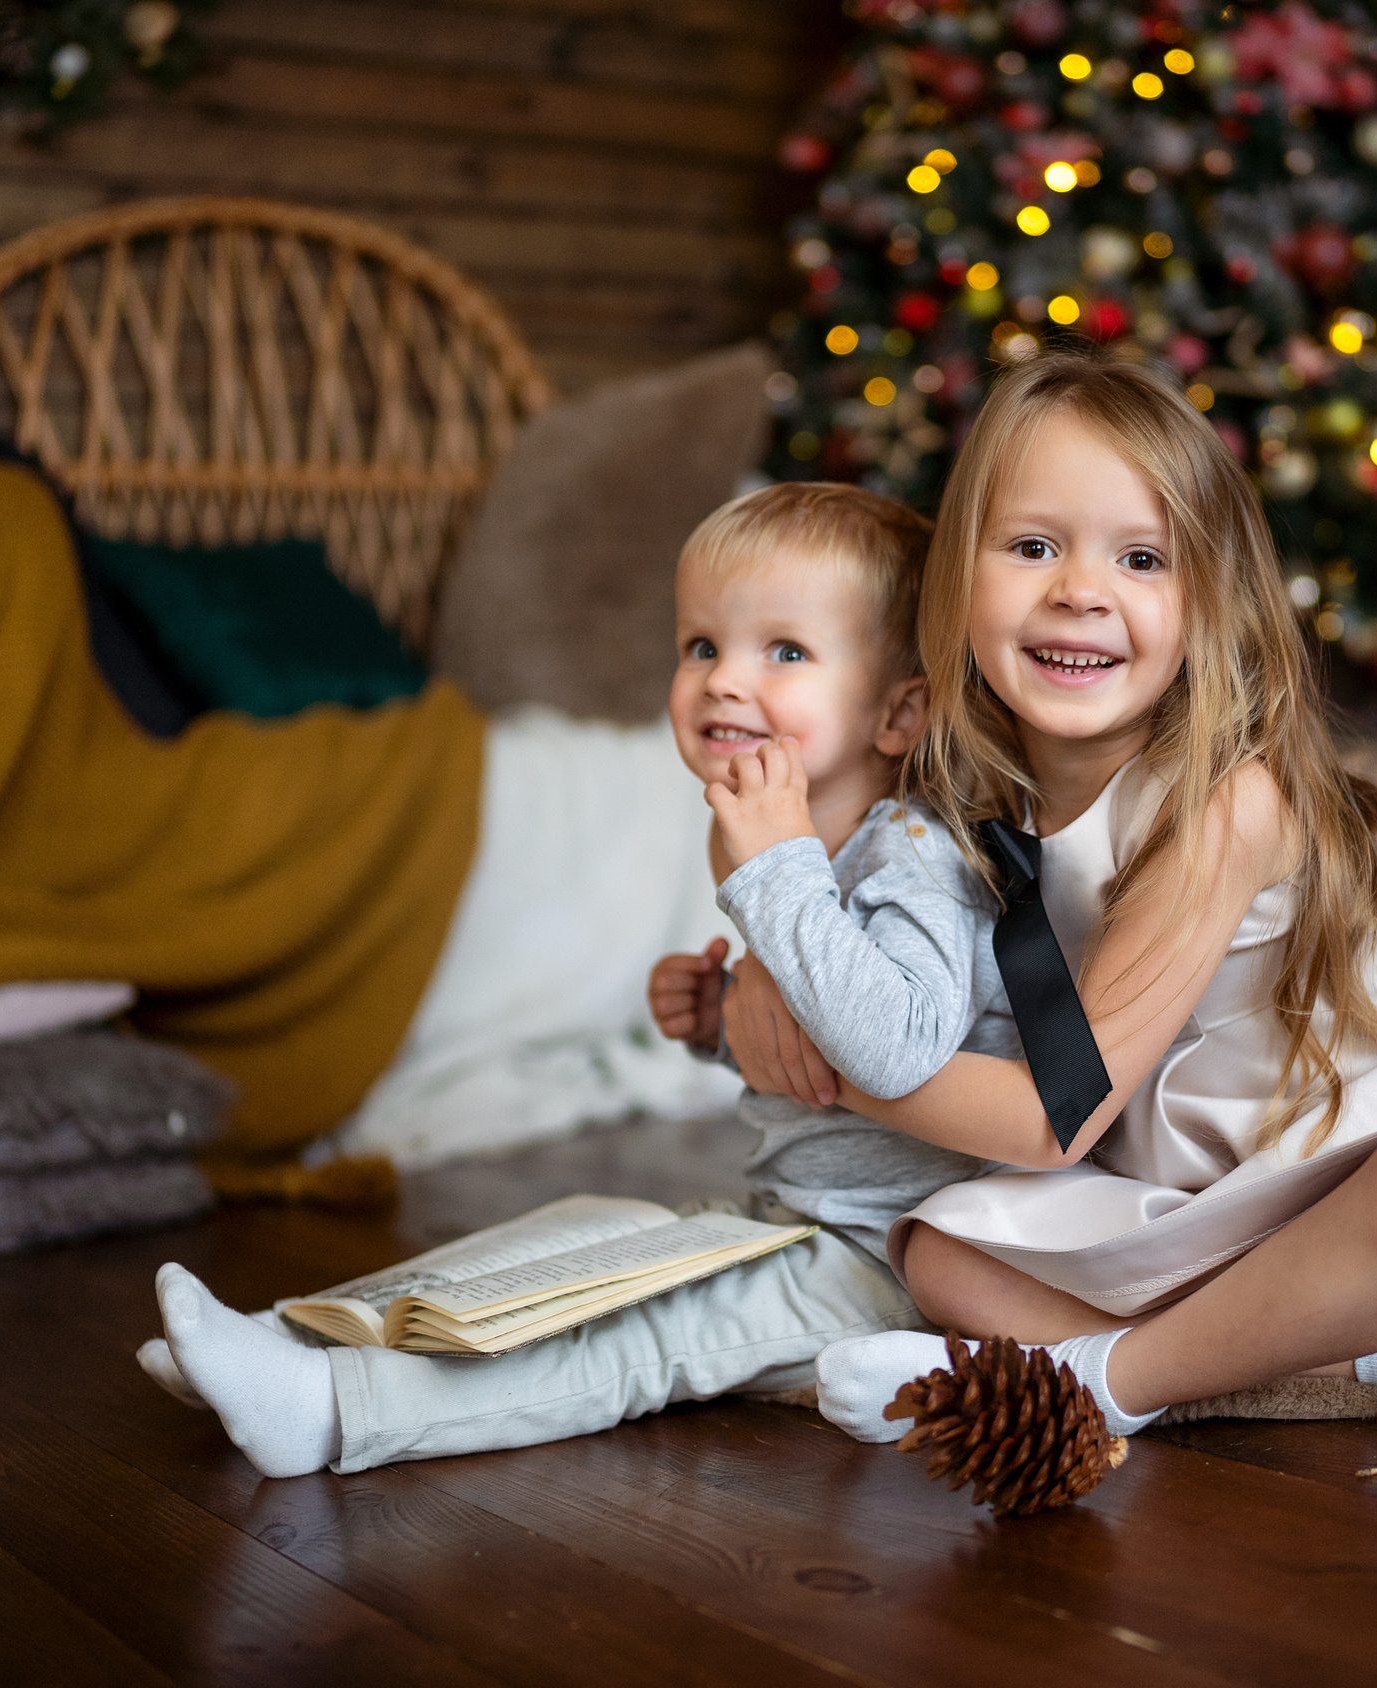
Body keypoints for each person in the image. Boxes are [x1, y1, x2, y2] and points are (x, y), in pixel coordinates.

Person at [712, 350, 1377, 1447]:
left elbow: (1051, 1121)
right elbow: (871, 949)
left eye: (1142, 558)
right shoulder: (965, 794)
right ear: (956, 582)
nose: (1078, 589)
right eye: (1030, 546)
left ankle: (1111, 1382)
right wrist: (755, 978)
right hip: (1198, 1200)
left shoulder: (1221, 805)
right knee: (936, 1248)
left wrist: (824, 1065)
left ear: (1208, 604)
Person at [138, 482, 1021, 1477]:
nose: (724, 681)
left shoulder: (912, 855)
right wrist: (721, 1025)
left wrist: (773, 872)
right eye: (701, 647)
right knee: (577, 1238)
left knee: (636, 1338)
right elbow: (814, 1047)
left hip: (887, 1267)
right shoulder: (800, 844)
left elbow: (899, 1047)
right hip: (796, 1219)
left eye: (784, 652)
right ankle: (312, 1334)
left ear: (899, 711)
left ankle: (337, 1407)